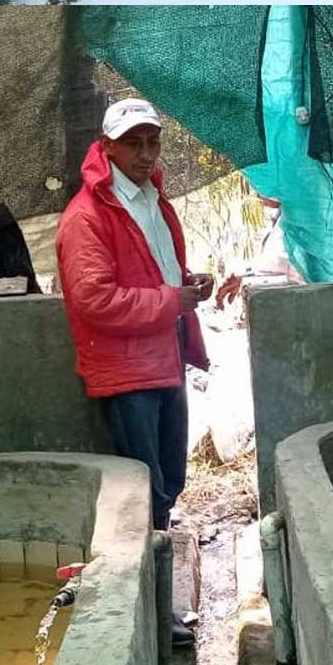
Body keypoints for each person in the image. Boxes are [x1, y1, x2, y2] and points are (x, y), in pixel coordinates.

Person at [55, 97, 213, 532]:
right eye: (133, 145)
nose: (145, 154)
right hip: (127, 372)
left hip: (166, 356)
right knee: (145, 483)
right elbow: (94, 299)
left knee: (169, 476)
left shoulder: (152, 199)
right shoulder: (86, 218)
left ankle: (160, 549)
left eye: (153, 142)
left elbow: (153, 270)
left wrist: (187, 281)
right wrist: (171, 301)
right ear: (107, 147)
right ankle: (152, 571)